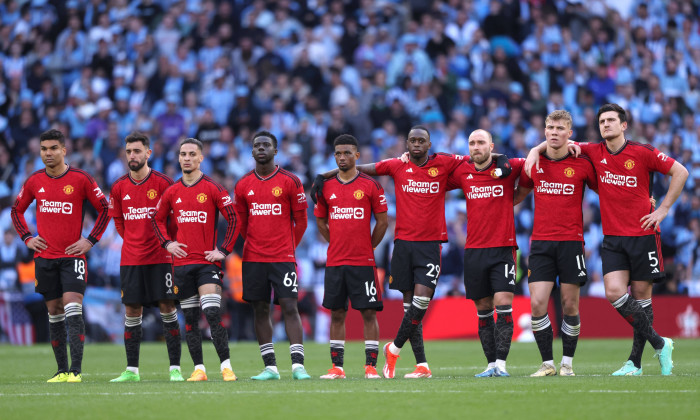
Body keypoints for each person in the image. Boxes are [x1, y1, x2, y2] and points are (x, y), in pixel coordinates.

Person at [525, 103, 688, 376]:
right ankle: (661, 342)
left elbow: (680, 172)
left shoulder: (642, 152)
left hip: (643, 233)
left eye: (611, 120)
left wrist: (663, 209)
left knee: (642, 298)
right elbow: (557, 140)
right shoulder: (592, 151)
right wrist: (533, 150)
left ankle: (634, 363)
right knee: (614, 292)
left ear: (623, 125)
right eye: (602, 121)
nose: (606, 125)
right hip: (613, 237)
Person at [312, 125, 471, 379]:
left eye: (421, 140)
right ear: (406, 144)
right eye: (412, 140)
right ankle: (422, 365)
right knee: (410, 309)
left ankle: (393, 348)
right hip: (403, 245)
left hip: (430, 246)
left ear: (429, 145)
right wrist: (324, 176)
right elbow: (359, 167)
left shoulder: (441, 166)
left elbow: (475, 159)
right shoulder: (397, 166)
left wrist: (502, 160)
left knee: (419, 305)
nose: (416, 144)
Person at [11, 129, 111, 383]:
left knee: (72, 305)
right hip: (44, 257)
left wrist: (90, 240)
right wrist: (27, 237)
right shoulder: (34, 181)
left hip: (72, 256)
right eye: (44, 148)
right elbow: (16, 210)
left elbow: (105, 209)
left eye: (53, 148)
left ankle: (76, 371)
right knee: (54, 311)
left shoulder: (80, 179)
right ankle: (61, 370)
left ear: (64, 150)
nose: (48, 153)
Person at [514, 111, 597, 377]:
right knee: (538, 304)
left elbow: (606, 189)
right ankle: (548, 363)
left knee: (570, 304)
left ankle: (568, 364)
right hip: (540, 244)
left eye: (560, 128)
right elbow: (519, 194)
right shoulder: (534, 163)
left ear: (569, 133)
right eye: (549, 127)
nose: (553, 132)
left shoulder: (582, 164)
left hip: (571, 243)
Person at [151, 138, 239, 382]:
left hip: (207, 263)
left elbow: (233, 218)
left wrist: (223, 249)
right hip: (181, 265)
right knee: (189, 319)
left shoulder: (213, 187)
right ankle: (199, 369)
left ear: (201, 158)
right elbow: (156, 220)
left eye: (192, 154)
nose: (187, 158)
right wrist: (168, 243)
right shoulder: (172, 192)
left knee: (211, 313)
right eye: (183, 154)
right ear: (178, 158)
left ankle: (226, 367)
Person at [233, 131, 311, 380]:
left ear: (275, 151)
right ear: (252, 151)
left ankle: (298, 366)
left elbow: (301, 221)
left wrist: (288, 246)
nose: (261, 148)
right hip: (254, 257)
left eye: (266, 145)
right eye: (257, 145)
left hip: (283, 257)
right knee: (260, 308)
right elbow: (242, 224)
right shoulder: (243, 184)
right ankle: (271, 367)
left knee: (289, 306)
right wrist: (256, 243)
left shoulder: (291, 181)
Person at [447, 129, 525, 378]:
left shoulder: (508, 167)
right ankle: (490, 364)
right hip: (474, 250)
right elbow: (434, 169)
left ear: (491, 145)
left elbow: (533, 160)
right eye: (472, 143)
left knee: (503, 304)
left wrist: (515, 197)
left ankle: (501, 365)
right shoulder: (462, 171)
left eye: (481, 142)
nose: (476, 147)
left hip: (503, 248)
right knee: (483, 308)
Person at [108, 132, 183, 382]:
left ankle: (175, 369)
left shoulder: (164, 183)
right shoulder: (119, 186)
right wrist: (132, 238)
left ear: (148, 153)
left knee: (167, 307)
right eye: (129, 151)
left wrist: (167, 243)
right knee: (132, 310)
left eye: (137, 151)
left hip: (161, 258)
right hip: (131, 259)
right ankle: (132, 370)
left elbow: (174, 220)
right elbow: (118, 220)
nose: (132, 155)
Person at [314, 134, 389, 379]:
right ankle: (337, 368)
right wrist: (335, 241)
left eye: (347, 153)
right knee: (337, 312)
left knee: (368, 313)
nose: (342, 157)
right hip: (335, 261)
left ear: (357, 156)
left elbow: (382, 222)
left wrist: (370, 246)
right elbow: (321, 221)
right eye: (338, 153)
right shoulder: (326, 187)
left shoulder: (370, 185)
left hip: (362, 261)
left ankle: (371, 367)